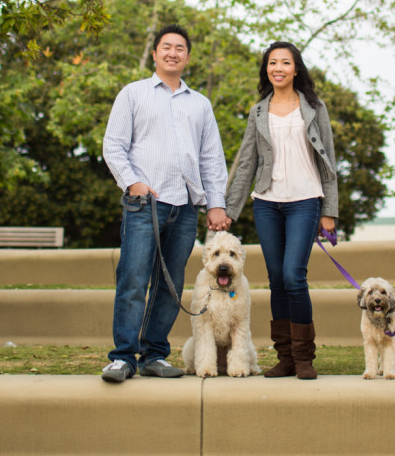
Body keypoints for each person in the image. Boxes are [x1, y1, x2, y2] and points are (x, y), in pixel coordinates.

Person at [100, 24, 230, 383]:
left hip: (186, 206)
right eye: (166, 47)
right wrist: (133, 183)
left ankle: (154, 354)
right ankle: (122, 357)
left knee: (171, 284)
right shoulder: (133, 94)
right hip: (145, 205)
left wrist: (215, 204)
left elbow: (212, 159)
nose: (173, 53)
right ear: (155, 54)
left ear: (188, 57)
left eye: (180, 48)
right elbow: (113, 146)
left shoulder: (200, 104)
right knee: (133, 279)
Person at [223, 41, 338, 380]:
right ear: (266, 70)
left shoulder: (315, 107)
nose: (278, 68)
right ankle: (285, 357)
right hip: (267, 203)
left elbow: (328, 160)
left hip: (305, 200)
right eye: (272, 63)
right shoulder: (259, 111)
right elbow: (246, 162)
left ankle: (304, 358)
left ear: (296, 69)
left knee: (293, 277)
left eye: (285, 63)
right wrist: (229, 210)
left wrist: (329, 210)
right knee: (276, 281)